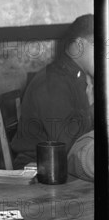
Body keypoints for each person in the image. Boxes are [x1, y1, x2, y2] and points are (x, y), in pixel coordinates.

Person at [11, 14, 94, 169]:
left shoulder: (75, 76)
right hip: (39, 168)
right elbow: (68, 144)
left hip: (62, 161)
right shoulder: (54, 81)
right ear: (79, 46)